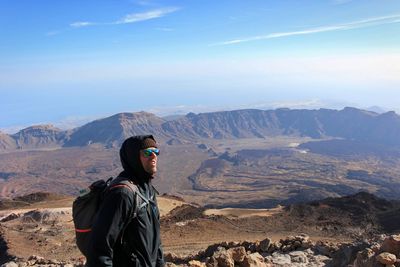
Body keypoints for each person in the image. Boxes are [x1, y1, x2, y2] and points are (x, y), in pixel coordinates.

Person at [86, 135, 164, 267]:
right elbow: (99, 247)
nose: (154, 156)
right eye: (147, 152)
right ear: (133, 157)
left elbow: (155, 240)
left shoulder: (147, 190)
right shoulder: (122, 193)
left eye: (156, 152)